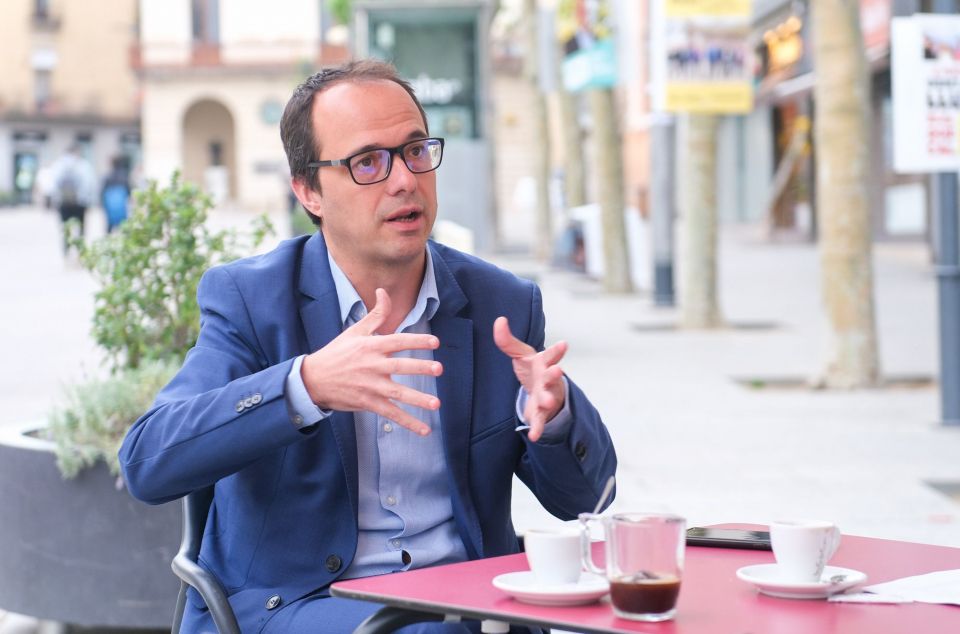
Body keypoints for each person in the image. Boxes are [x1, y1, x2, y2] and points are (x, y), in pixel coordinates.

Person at [119, 60, 617, 634]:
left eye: (414, 151)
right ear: (309, 190)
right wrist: (305, 388)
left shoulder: (498, 304)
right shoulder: (252, 300)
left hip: (466, 603)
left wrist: (554, 420)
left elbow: (589, 497)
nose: (404, 179)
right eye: (368, 163)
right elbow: (146, 462)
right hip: (299, 605)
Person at [50, 144, 96, 255]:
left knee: (65, 228)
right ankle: (81, 253)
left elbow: (52, 185)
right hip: (80, 203)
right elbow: (90, 184)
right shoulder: (83, 165)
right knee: (80, 228)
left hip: (63, 202)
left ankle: (66, 252)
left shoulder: (58, 164)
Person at [101, 155, 131, 232]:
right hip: (121, 208)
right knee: (124, 227)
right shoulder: (124, 176)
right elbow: (129, 192)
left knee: (109, 227)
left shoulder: (107, 176)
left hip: (110, 207)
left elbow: (102, 192)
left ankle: (107, 243)